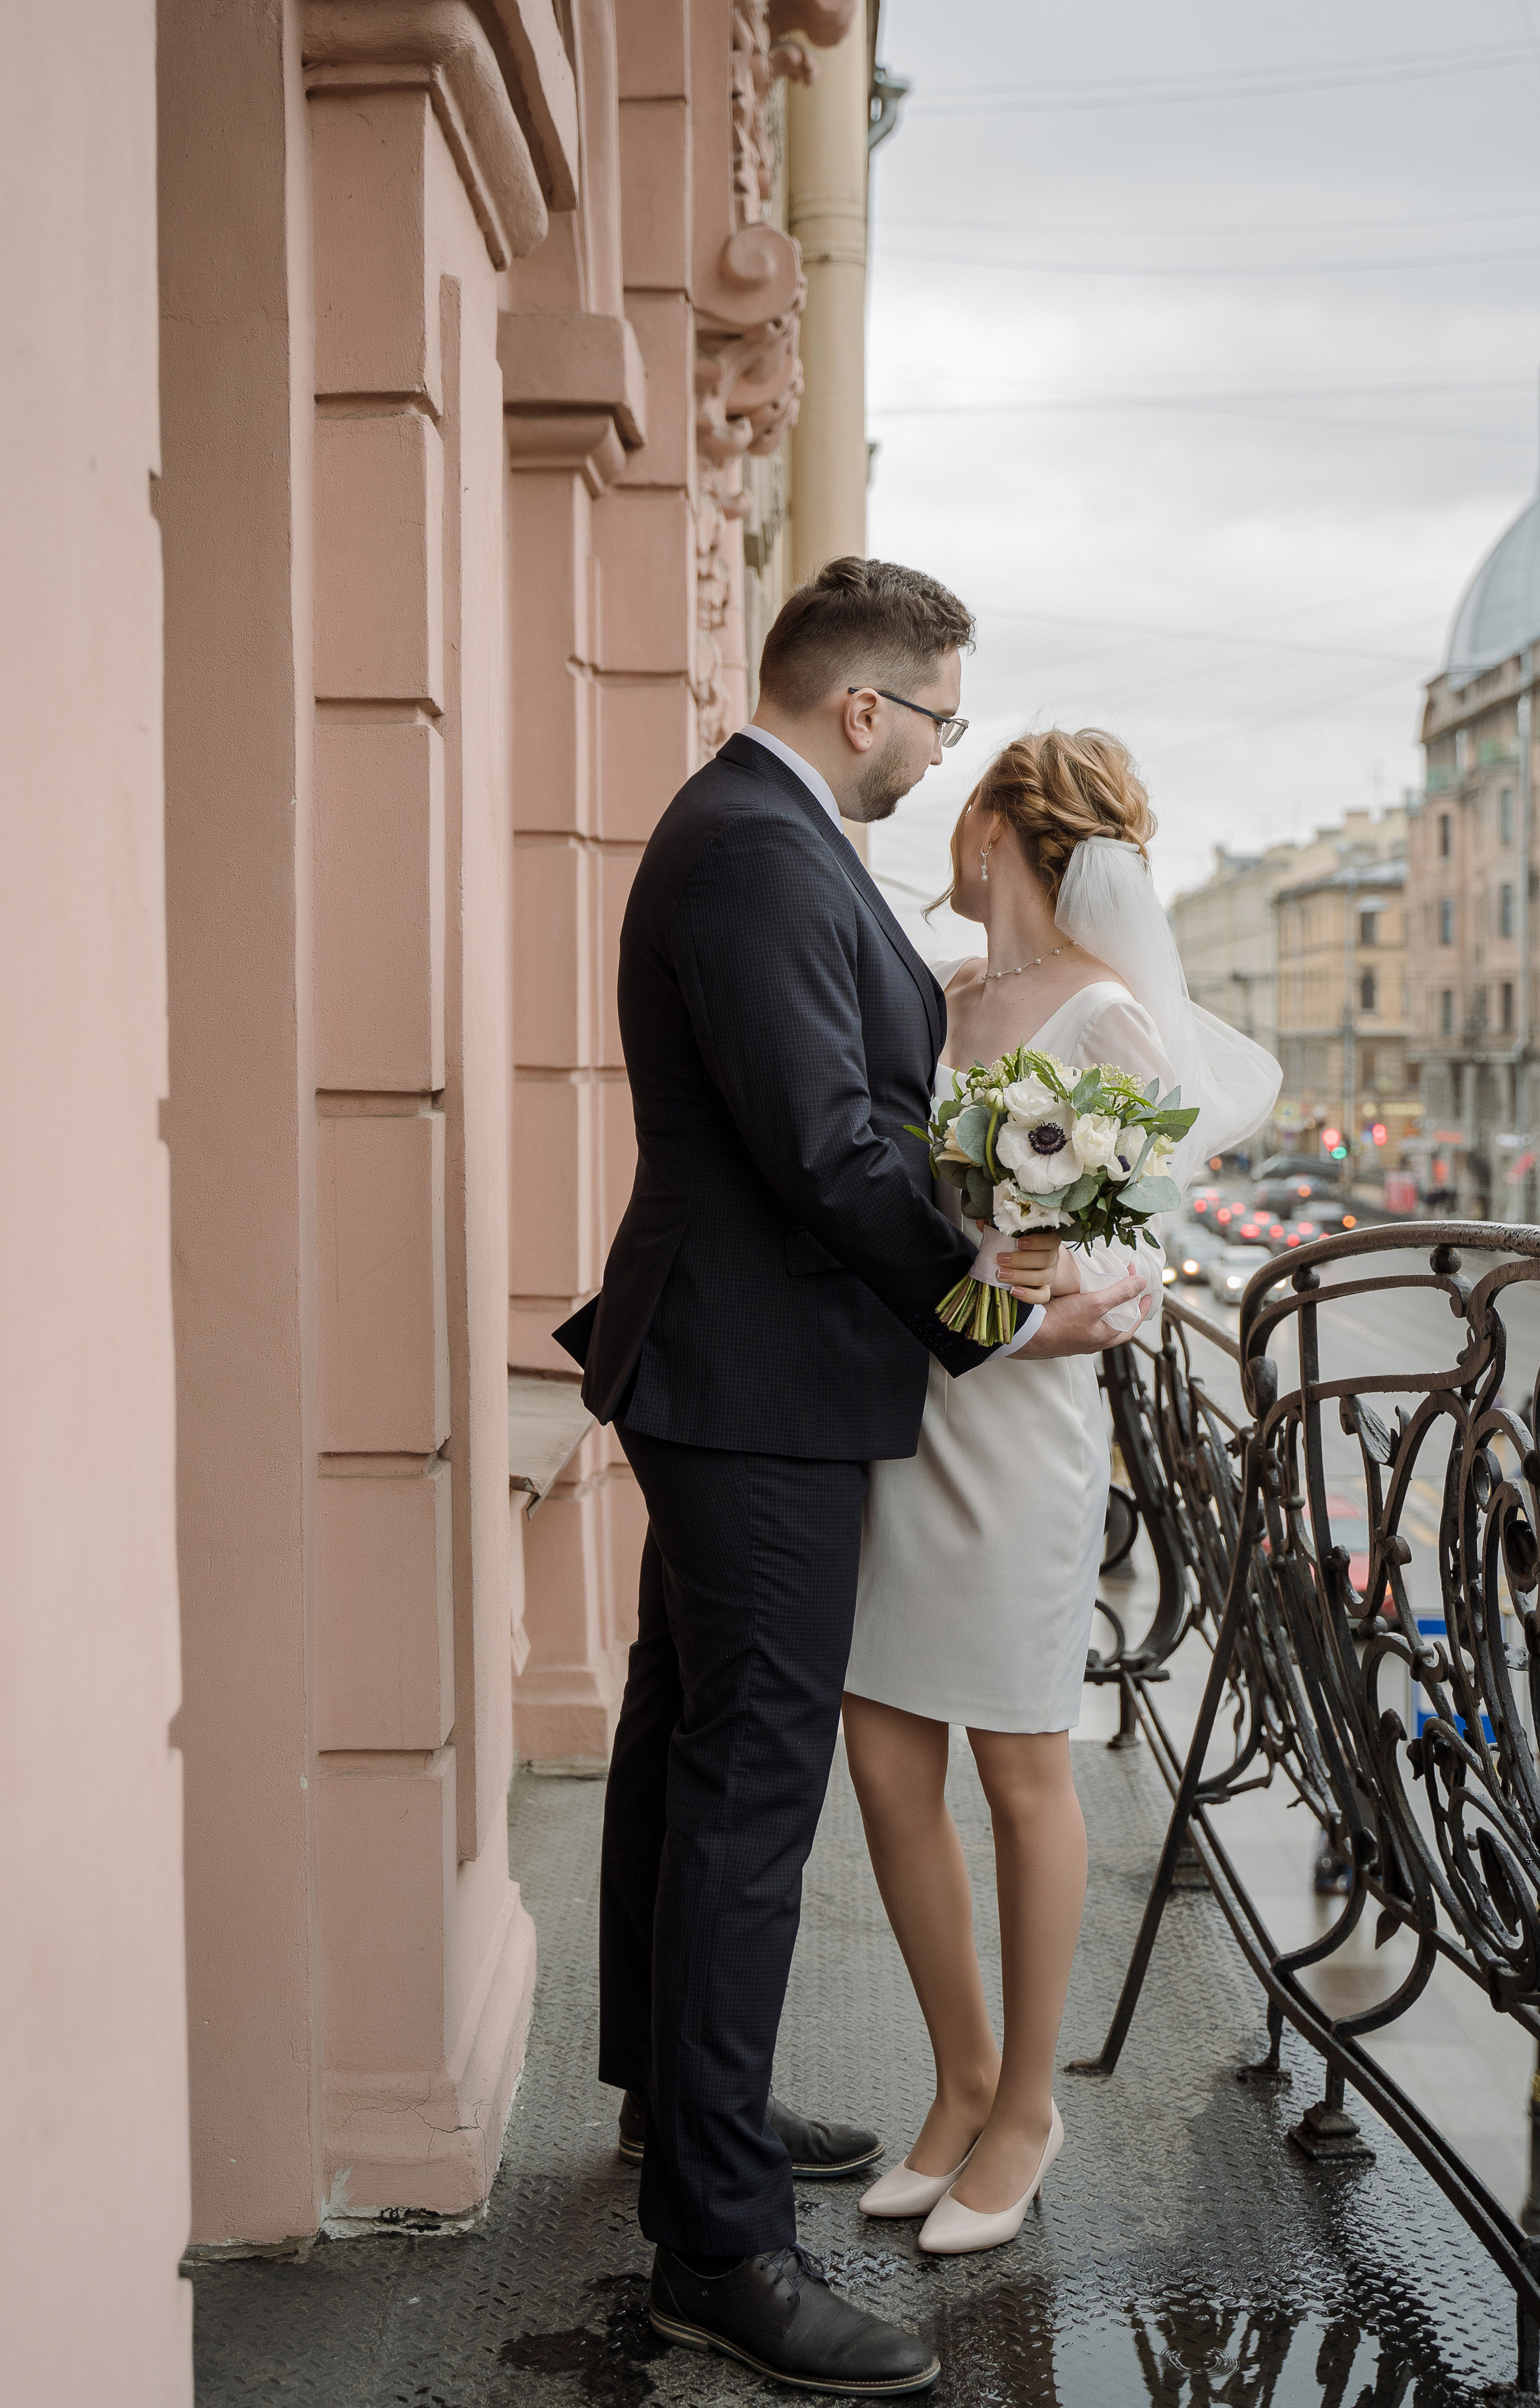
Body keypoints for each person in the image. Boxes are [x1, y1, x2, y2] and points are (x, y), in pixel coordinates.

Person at [554, 565, 1150, 2397]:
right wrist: (995, 1309)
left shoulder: (766, 832)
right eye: (944, 720)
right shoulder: (754, 844)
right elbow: (826, 1144)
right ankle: (719, 2254)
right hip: (761, 1387)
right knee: (747, 1792)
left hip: (751, 1376)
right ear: (867, 711)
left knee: (685, 1743)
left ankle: (679, 2111)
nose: (946, 752)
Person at [844, 728, 1280, 2256]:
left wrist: (1032, 1277)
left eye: (957, 815)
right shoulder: (948, 998)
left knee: (1021, 1770)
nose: (939, 843)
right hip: (903, 1419)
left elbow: (1134, 1268)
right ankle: (956, 2081)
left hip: (1019, 1434)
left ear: (997, 829)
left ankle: (1024, 2105)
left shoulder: (1106, 1017)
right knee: (885, 1757)